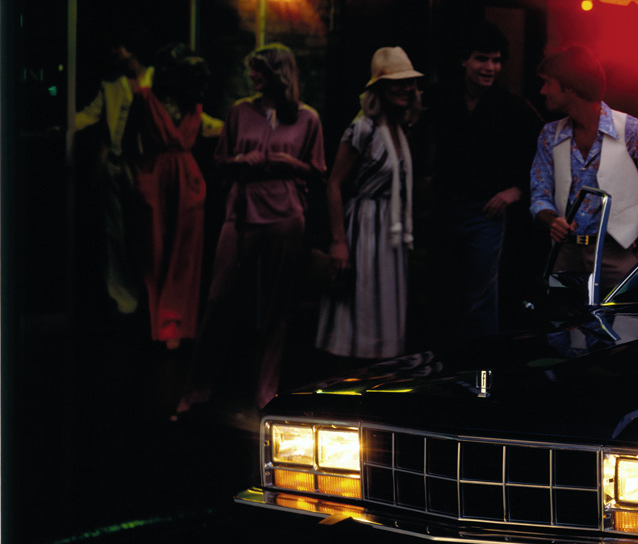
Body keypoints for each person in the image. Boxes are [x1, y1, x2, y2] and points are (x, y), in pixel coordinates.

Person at [179, 43, 325, 420]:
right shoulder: (240, 112)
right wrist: (241, 160)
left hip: (286, 215)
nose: (252, 76)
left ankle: (265, 391)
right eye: (252, 69)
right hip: (243, 212)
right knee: (218, 300)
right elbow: (219, 163)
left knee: (278, 307)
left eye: (259, 69)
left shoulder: (307, 118)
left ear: (278, 74)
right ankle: (196, 390)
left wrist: (288, 162)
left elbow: (317, 171)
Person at [426, 23, 543, 340]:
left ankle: (481, 364)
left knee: (481, 297)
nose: (490, 67)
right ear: (464, 60)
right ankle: (444, 362)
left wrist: (517, 190)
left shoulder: (511, 105)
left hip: (485, 212)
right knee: (443, 291)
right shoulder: (440, 97)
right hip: (444, 207)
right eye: (482, 59)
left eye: (496, 60)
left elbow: (543, 151)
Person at [529, 45, 638, 289]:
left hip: (620, 255)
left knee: (623, 315)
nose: (543, 91)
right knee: (563, 313)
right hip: (565, 255)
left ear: (569, 86)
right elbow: (539, 195)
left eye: (548, 83)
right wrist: (552, 221)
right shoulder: (549, 134)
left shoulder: (634, 131)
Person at [315, 47, 423, 361]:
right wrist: (339, 241)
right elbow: (334, 183)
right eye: (396, 83)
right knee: (359, 312)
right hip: (364, 228)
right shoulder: (363, 127)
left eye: (408, 82)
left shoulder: (400, 127)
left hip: (390, 231)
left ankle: (380, 378)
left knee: (386, 312)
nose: (405, 88)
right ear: (380, 88)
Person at [124, 43, 221, 349]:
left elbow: (215, 130)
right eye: (162, 65)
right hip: (154, 177)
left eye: (170, 66)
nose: (164, 71)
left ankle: (175, 325)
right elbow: (128, 143)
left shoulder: (193, 105)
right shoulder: (144, 99)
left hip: (188, 180)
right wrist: (138, 178)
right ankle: (157, 322)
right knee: (153, 252)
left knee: (184, 254)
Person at [75, 27, 155, 316]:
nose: (112, 52)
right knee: (113, 233)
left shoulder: (156, 79)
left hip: (144, 165)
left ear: (131, 49)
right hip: (114, 163)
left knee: (146, 231)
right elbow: (90, 113)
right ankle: (122, 297)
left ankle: (148, 294)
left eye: (117, 47)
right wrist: (64, 124)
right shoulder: (110, 84)